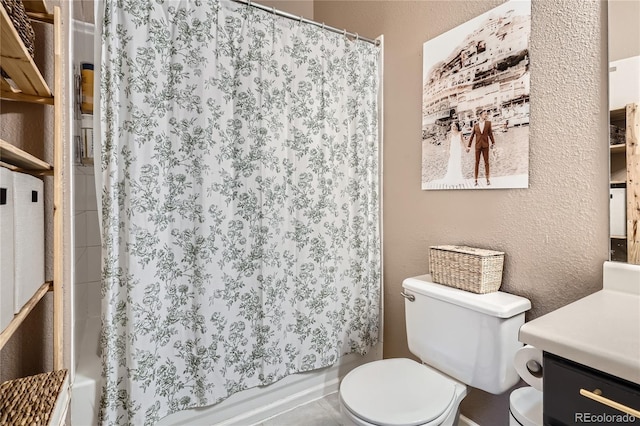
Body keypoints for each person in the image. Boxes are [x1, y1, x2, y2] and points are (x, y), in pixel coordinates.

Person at [466, 109, 495, 186]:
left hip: (485, 146)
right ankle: (475, 180)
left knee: (486, 162)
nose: (486, 115)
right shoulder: (475, 125)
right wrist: (469, 146)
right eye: (485, 114)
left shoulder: (488, 123)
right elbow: (472, 136)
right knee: (477, 163)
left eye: (486, 114)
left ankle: (487, 179)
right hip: (477, 146)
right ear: (480, 115)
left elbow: (490, 134)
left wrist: (493, 143)